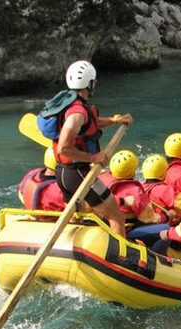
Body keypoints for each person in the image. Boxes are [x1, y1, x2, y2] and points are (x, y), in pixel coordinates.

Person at [52, 60, 133, 237]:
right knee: (117, 217)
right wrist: (94, 158)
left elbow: (91, 125)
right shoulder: (77, 113)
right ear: (89, 83)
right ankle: (121, 259)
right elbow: (64, 148)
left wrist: (114, 121)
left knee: (77, 215)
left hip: (63, 173)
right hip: (77, 173)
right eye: (93, 81)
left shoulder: (70, 104)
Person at [98, 150, 162, 225]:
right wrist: (166, 217)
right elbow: (148, 218)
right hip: (125, 227)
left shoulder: (100, 179)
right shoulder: (136, 191)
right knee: (164, 227)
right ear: (133, 171)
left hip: (103, 221)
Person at [141, 154, 181, 223]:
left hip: (145, 225)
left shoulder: (140, 189)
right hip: (162, 225)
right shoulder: (165, 190)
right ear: (164, 173)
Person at [18, 147, 65, 212]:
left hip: (31, 214)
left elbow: (20, 192)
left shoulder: (33, 174)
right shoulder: (58, 190)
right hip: (51, 220)